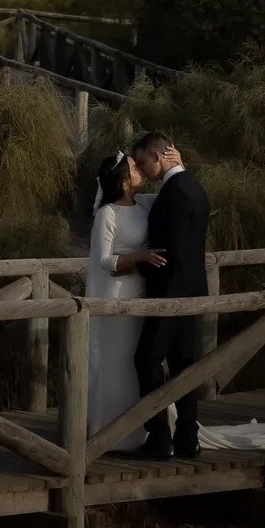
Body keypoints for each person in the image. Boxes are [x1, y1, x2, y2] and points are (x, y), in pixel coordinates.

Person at [130, 131, 210, 459]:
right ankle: (188, 437)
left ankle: (159, 436)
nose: (140, 167)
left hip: (170, 292)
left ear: (158, 156)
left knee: (147, 359)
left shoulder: (174, 194)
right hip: (194, 290)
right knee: (183, 364)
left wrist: (142, 269)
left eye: (142, 160)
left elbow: (171, 251)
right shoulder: (194, 187)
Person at [84, 151, 169, 451]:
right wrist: (141, 256)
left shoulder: (144, 203)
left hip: (142, 294)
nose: (140, 170)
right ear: (123, 182)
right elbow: (105, 261)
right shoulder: (107, 214)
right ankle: (113, 431)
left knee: (142, 362)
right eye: (134, 167)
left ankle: (146, 426)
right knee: (117, 362)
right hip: (116, 298)